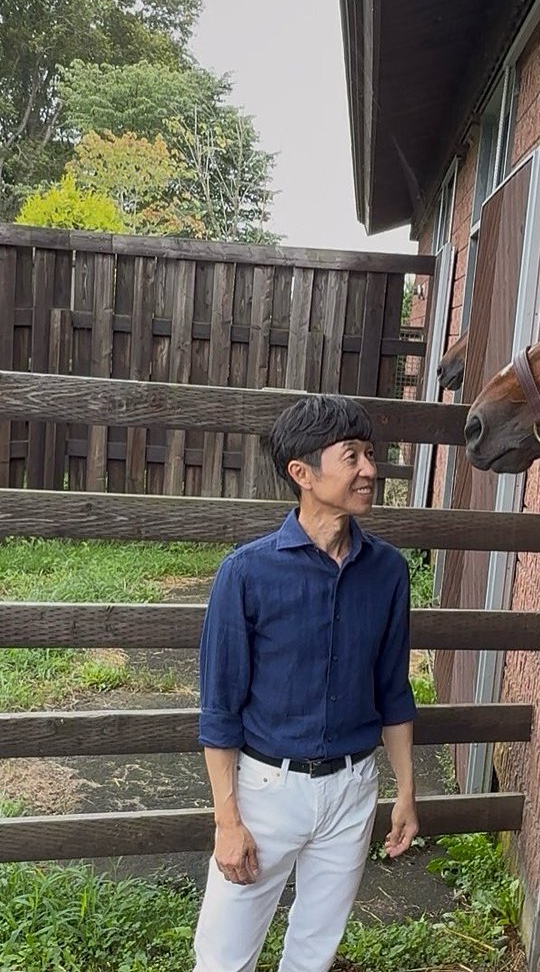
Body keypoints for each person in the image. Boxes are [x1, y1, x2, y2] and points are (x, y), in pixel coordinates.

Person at [192, 394, 419, 972]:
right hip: (267, 791)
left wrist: (407, 794)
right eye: (352, 457)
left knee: (315, 952)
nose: (370, 469)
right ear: (303, 473)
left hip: (352, 790)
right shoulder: (246, 573)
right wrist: (228, 820)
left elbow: (393, 689)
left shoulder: (388, 571)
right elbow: (220, 708)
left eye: (370, 454)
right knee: (223, 956)